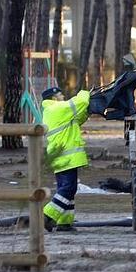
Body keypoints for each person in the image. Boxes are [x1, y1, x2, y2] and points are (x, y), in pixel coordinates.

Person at [41, 87, 91, 232]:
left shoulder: (53, 111)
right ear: (54, 98)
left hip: (62, 157)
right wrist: (85, 92)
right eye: (60, 94)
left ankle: (64, 223)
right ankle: (46, 215)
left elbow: (77, 118)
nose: (63, 96)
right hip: (66, 157)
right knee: (69, 188)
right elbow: (79, 102)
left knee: (64, 189)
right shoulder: (56, 109)